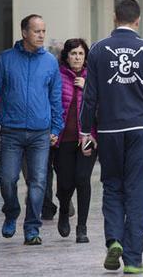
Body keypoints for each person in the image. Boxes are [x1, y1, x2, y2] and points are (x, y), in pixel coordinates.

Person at [80, 0, 143, 274]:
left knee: (113, 186)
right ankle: (132, 258)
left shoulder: (97, 50)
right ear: (138, 20)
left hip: (109, 130)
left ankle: (114, 239)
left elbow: (89, 97)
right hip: (140, 129)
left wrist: (85, 131)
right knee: (137, 191)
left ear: (114, 16)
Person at [0, 14, 63, 246]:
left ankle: (32, 228)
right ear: (24, 33)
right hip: (12, 131)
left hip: (40, 132)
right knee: (7, 179)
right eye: (36, 31)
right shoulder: (6, 60)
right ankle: (11, 211)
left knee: (38, 182)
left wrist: (56, 126)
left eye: (43, 31)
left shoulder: (50, 62)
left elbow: (56, 98)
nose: (41, 35)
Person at [52, 38, 96, 243]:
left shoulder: (93, 77)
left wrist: (86, 87)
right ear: (66, 56)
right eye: (73, 54)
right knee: (65, 181)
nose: (77, 57)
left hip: (87, 136)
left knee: (83, 179)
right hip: (64, 138)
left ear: (85, 57)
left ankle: (82, 227)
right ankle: (63, 209)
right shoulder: (58, 75)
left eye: (80, 54)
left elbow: (102, 104)